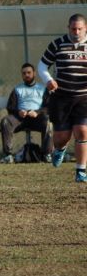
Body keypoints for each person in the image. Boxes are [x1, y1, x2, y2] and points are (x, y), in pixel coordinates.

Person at [38, 13, 87, 182]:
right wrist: (48, 80)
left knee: (82, 131)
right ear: (68, 28)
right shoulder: (57, 44)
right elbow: (42, 65)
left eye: (80, 29)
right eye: (73, 29)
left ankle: (81, 171)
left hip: (83, 97)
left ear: (85, 28)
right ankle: (60, 149)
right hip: (61, 98)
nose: (76, 32)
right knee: (61, 138)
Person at [0, 63, 52, 163]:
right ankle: (8, 156)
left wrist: (37, 112)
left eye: (29, 72)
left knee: (48, 121)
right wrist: (18, 112)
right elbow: (10, 107)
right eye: (24, 73)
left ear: (34, 74)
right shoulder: (17, 89)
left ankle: (46, 154)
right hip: (20, 118)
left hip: (37, 118)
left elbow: (48, 107)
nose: (26, 75)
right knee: (5, 121)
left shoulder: (42, 88)